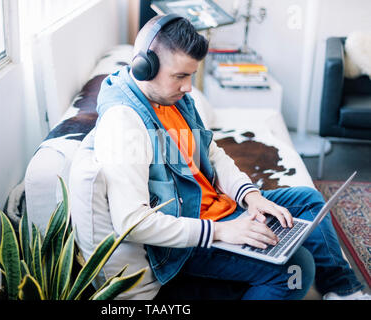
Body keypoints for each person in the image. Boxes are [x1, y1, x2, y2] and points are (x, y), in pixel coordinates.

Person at [69, 14, 368, 300]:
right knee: (296, 268)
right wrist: (224, 230)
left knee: (309, 201)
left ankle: (342, 290)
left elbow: (212, 152)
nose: (188, 88)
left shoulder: (174, 99)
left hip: (219, 209)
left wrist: (250, 196)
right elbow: (131, 222)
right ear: (144, 68)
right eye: (180, 77)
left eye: (191, 75)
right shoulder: (124, 123)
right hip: (189, 239)